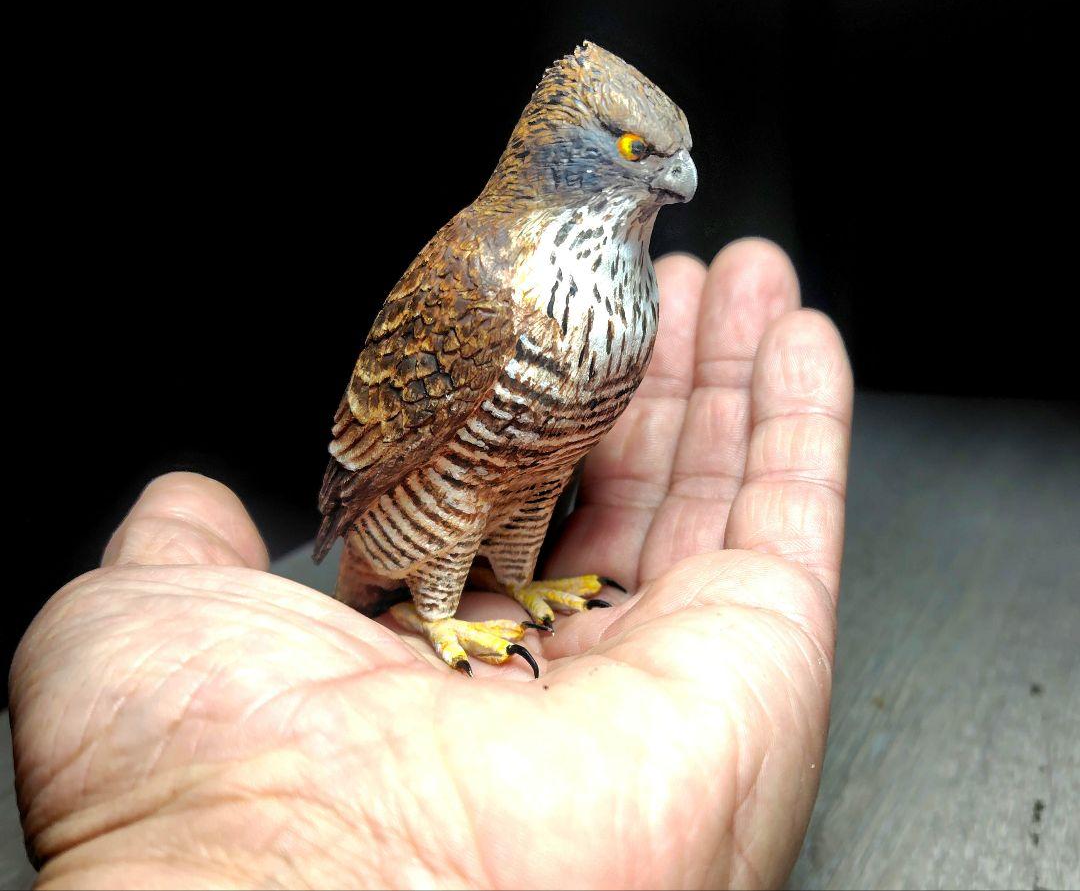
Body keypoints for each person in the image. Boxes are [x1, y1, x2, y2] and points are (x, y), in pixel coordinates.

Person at [11, 240, 853, 889]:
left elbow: (532, 478)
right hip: (408, 512)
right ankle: (440, 613)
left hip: (503, 505)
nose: (678, 178)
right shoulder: (483, 288)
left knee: (519, 485)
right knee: (462, 492)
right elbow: (429, 476)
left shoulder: (627, 301)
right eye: (635, 152)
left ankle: (516, 580)